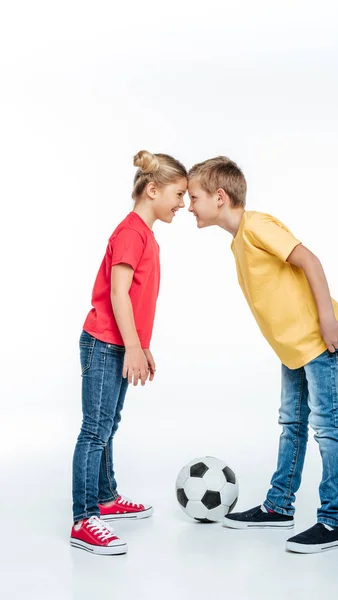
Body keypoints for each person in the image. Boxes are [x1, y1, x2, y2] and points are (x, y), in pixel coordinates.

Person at [187, 156, 338, 554]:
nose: (189, 205)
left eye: (193, 197)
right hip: (293, 348)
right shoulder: (238, 240)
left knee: (327, 427)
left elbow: (309, 260)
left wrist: (328, 320)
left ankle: (334, 521)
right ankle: (279, 506)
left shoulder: (257, 225)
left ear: (220, 197)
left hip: (317, 340)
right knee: (291, 425)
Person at [70, 151, 187, 555]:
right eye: (178, 193)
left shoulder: (145, 235)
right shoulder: (131, 232)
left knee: (108, 425)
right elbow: (118, 293)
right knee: (94, 430)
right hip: (105, 342)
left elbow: (135, 299)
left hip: (120, 342)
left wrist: (142, 346)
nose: (183, 204)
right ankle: (84, 519)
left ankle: (105, 498)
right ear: (152, 189)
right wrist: (132, 347)